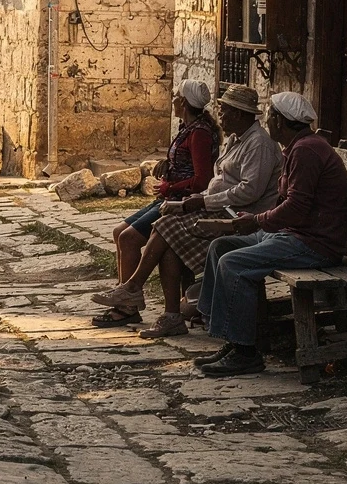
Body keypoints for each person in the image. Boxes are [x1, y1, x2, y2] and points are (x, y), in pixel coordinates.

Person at [94, 86, 281, 337]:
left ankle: (134, 287)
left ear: (239, 114)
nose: (221, 117)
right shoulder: (237, 140)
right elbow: (219, 183)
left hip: (241, 217)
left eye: (225, 112)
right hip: (220, 207)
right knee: (168, 243)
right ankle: (170, 316)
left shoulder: (259, 144)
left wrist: (201, 202)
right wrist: (197, 199)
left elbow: (249, 192)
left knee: (164, 226)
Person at [192, 91, 347, 377]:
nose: (266, 121)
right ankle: (229, 335)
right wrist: (255, 219)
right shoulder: (298, 147)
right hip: (294, 234)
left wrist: (258, 221)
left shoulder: (306, 151)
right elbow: (289, 203)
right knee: (221, 246)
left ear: (280, 120)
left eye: (270, 116)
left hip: (313, 243)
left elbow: (296, 208)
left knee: (233, 263)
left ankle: (245, 352)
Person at [94, 80, 217, 327]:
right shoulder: (187, 127)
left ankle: (128, 303)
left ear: (183, 102)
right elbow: (187, 164)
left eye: (175, 96)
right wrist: (167, 166)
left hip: (180, 202)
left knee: (129, 238)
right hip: (168, 196)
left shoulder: (199, 133)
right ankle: (125, 297)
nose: (172, 99)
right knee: (119, 232)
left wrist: (170, 187)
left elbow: (202, 179)